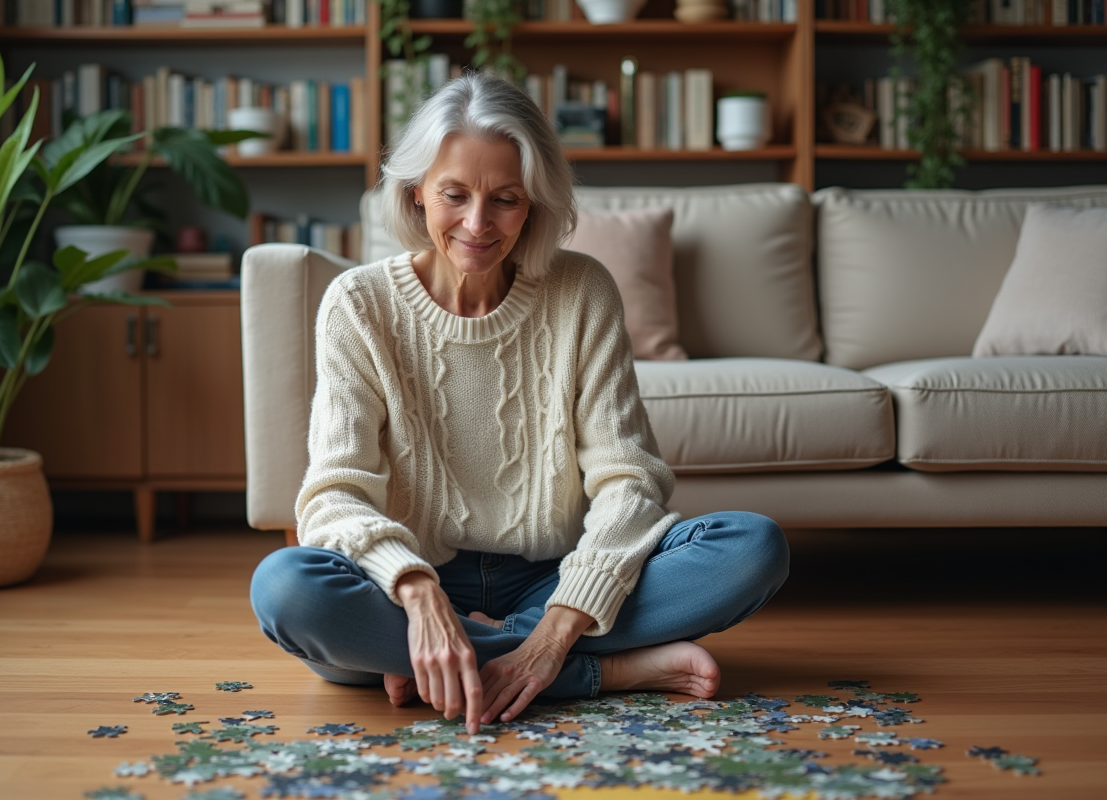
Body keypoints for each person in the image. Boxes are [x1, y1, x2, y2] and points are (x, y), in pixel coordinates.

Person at [250, 73, 789, 735]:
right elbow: (336, 494)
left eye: (505, 200)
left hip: (553, 576)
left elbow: (630, 479)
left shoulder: (582, 291)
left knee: (750, 548)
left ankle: (442, 666)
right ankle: (607, 672)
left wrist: (557, 627)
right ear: (417, 191)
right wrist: (419, 598)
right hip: (416, 576)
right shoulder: (358, 304)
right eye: (455, 194)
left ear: (533, 203)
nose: (478, 224)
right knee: (284, 589)